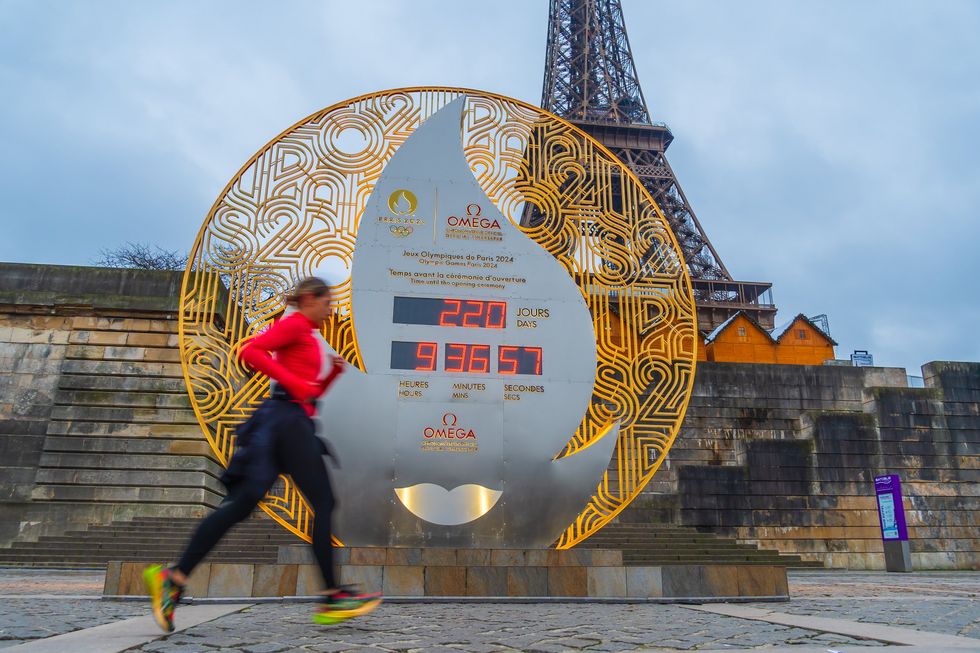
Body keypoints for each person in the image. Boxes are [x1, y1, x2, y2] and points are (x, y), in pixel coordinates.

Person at [143, 277, 381, 631]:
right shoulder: (295, 324)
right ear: (310, 298)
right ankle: (332, 597)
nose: (330, 311)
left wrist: (329, 375)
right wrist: (293, 381)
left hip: (289, 424)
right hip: (285, 423)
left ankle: (174, 578)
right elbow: (250, 351)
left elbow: (309, 393)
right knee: (323, 503)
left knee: (241, 505)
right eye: (327, 302)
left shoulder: (307, 334)